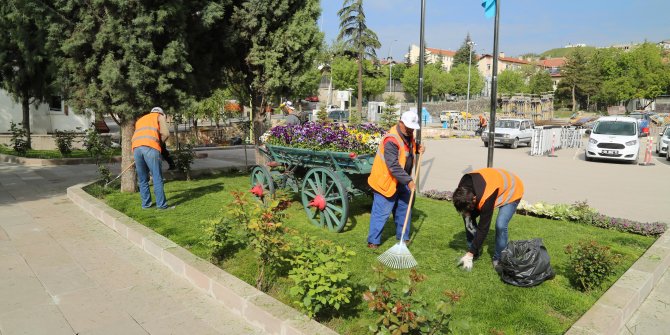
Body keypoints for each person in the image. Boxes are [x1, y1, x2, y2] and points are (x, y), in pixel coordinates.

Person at [366, 111, 425, 248]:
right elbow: (393, 165)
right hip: (385, 181)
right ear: (401, 122)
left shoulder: (408, 135)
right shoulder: (391, 140)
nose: (411, 130)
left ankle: (403, 237)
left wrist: (417, 149)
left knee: (404, 209)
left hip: (401, 180)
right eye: (409, 127)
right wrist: (409, 181)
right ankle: (373, 241)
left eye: (413, 127)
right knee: (381, 213)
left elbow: (406, 152)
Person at [452, 168, 524, 271]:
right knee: (467, 217)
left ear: (474, 199)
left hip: (512, 190)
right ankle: (474, 251)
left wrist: (470, 254)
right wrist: (467, 215)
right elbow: (467, 212)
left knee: (500, 225)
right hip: (493, 185)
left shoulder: (486, 197)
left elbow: (483, 228)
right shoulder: (463, 188)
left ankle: (499, 259)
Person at [131, 106, 172, 209]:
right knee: (157, 177)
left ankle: (146, 205)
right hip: (150, 147)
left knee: (143, 179)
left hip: (136, 148)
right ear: (161, 113)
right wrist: (160, 143)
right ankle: (161, 206)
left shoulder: (141, 119)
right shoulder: (159, 116)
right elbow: (166, 133)